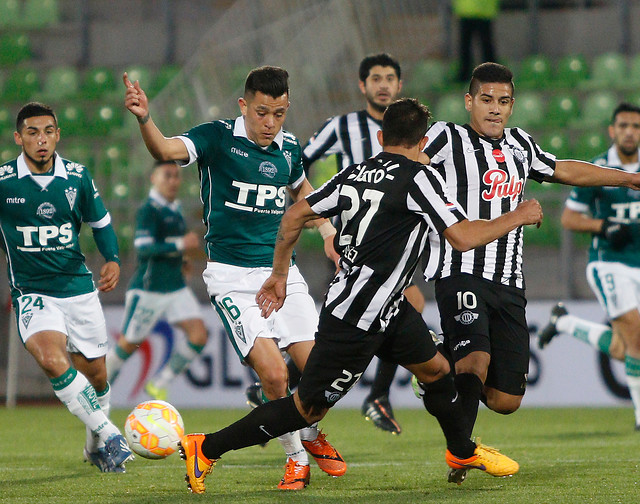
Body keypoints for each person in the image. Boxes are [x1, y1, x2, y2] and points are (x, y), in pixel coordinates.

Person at [177, 98, 544, 494]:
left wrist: (279, 273)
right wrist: (518, 216)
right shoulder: (421, 178)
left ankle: (461, 449)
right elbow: (463, 237)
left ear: (382, 136)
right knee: (307, 408)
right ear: (423, 142)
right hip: (357, 319)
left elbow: (295, 214)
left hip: (389, 308)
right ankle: (207, 447)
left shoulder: (356, 172)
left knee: (437, 370)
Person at [123, 66, 346, 490]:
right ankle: (296, 457)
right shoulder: (216, 137)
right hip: (232, 277)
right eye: (262, 112)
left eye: (279, 114)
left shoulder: (289, 148)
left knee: (319, 370)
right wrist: (144, 119)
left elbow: (303, 193)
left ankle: (313, 434)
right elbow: (166, 150)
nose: (270, 123)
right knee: (275, 375)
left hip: (283, 272)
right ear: (244, 105)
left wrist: (329, 230)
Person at [421, 62, 640, 484]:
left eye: (503, 102)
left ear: (512, 106)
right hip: (460, 269)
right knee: (476, 359)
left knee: (506, 400)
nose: (495, 110)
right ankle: (461, 454)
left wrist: (627, 178)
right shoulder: (447, 137)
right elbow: (407, 164)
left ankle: (435, 366)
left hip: (509, 281)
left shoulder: (520, 143)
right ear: (469, 101)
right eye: (486, 100)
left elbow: (563, 169)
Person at [0, 102, 133, 472]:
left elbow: (101, 223)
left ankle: (94, 446)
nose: (41, 140)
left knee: (97, 377)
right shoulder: (3, 183)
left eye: (47, 132)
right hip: (32, 292)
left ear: (58, 134)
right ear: (18, 138)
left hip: (78, 290)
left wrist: (112, 259)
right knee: (51, 358)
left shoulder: (77, 177)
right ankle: (110, 434)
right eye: (32, 132)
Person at [300, 52, 424, 434]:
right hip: (349, 241)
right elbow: (297, 166)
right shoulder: (341, 126)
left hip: (395, 239)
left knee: (371, 317)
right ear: (362, 85)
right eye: (376, 78)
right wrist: (319, 219)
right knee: (357, 321)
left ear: (400, 86)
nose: (383, 84)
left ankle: (374, 396)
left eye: (390, 77)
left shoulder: (413, 132)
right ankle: (368, 396)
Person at [537, 102, 640, 430]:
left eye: (636, 126)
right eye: (623, 125)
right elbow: (568, 218)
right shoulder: (599, 170)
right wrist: (603, 227)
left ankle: (566, 324)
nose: (629, 132)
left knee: (626, 349)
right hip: (609, 264)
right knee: (638, 341)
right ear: (612, 130)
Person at [105, 160, 208, 401]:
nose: (173, 181)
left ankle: (160, 383)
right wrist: (180, 245)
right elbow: (143, 248)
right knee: (127, 346)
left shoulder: (174, 208)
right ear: (154, 178)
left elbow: (168, 245)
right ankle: (97, 394)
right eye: (167, 175)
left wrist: (182, 260)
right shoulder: (149, 210)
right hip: (149, 290)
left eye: (176, 176)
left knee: (198, 335)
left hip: (175, 287)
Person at [453, 0, 499, 82]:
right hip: (482, 10)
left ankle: (465, 74)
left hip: (468, 9)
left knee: (467, 45)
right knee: (485, 45)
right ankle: (491, 73)